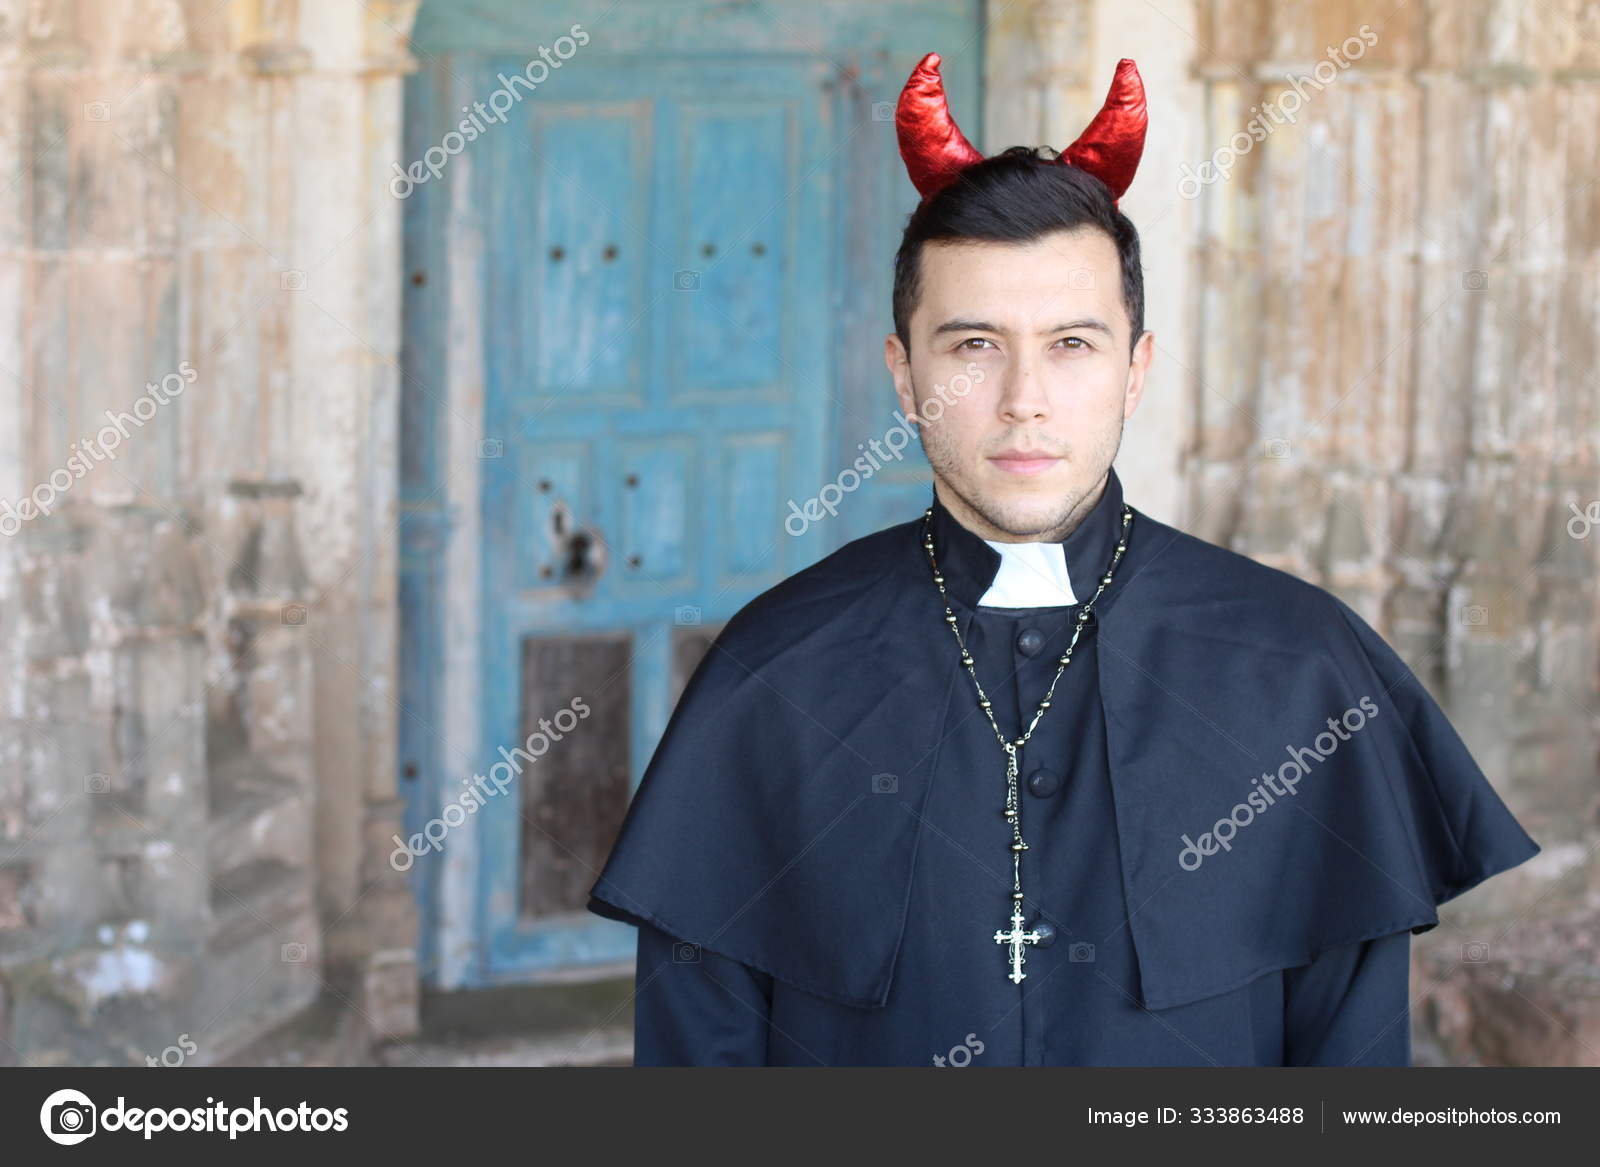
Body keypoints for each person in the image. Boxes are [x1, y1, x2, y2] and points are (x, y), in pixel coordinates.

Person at [585, 53, 1539, 1066]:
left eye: (1073, 344)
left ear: (1136, 370)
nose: (1024, 399)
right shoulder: (775, 671)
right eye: (973, 346)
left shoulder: (1301, 669)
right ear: (903, 376)